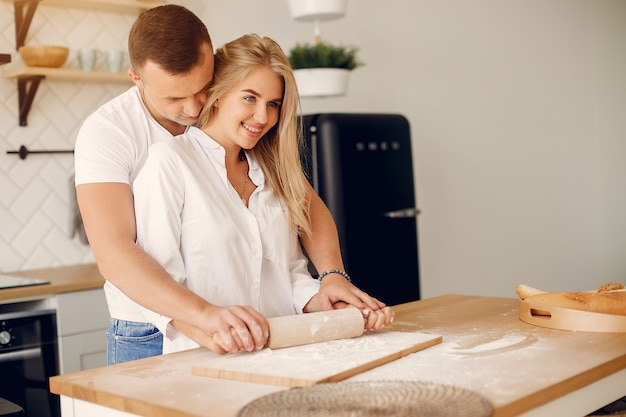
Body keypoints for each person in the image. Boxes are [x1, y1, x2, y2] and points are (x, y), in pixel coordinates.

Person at [74, 5, 390, 364]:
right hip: (150, 326)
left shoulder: (258, 157)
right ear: (137, 79)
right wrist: (205, 317)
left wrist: (331, 279)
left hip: (241, 335)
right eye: (174, 98)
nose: (194, 109)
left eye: (202, 88)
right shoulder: (115, 135)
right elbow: (115, 252)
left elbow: (297, 224)